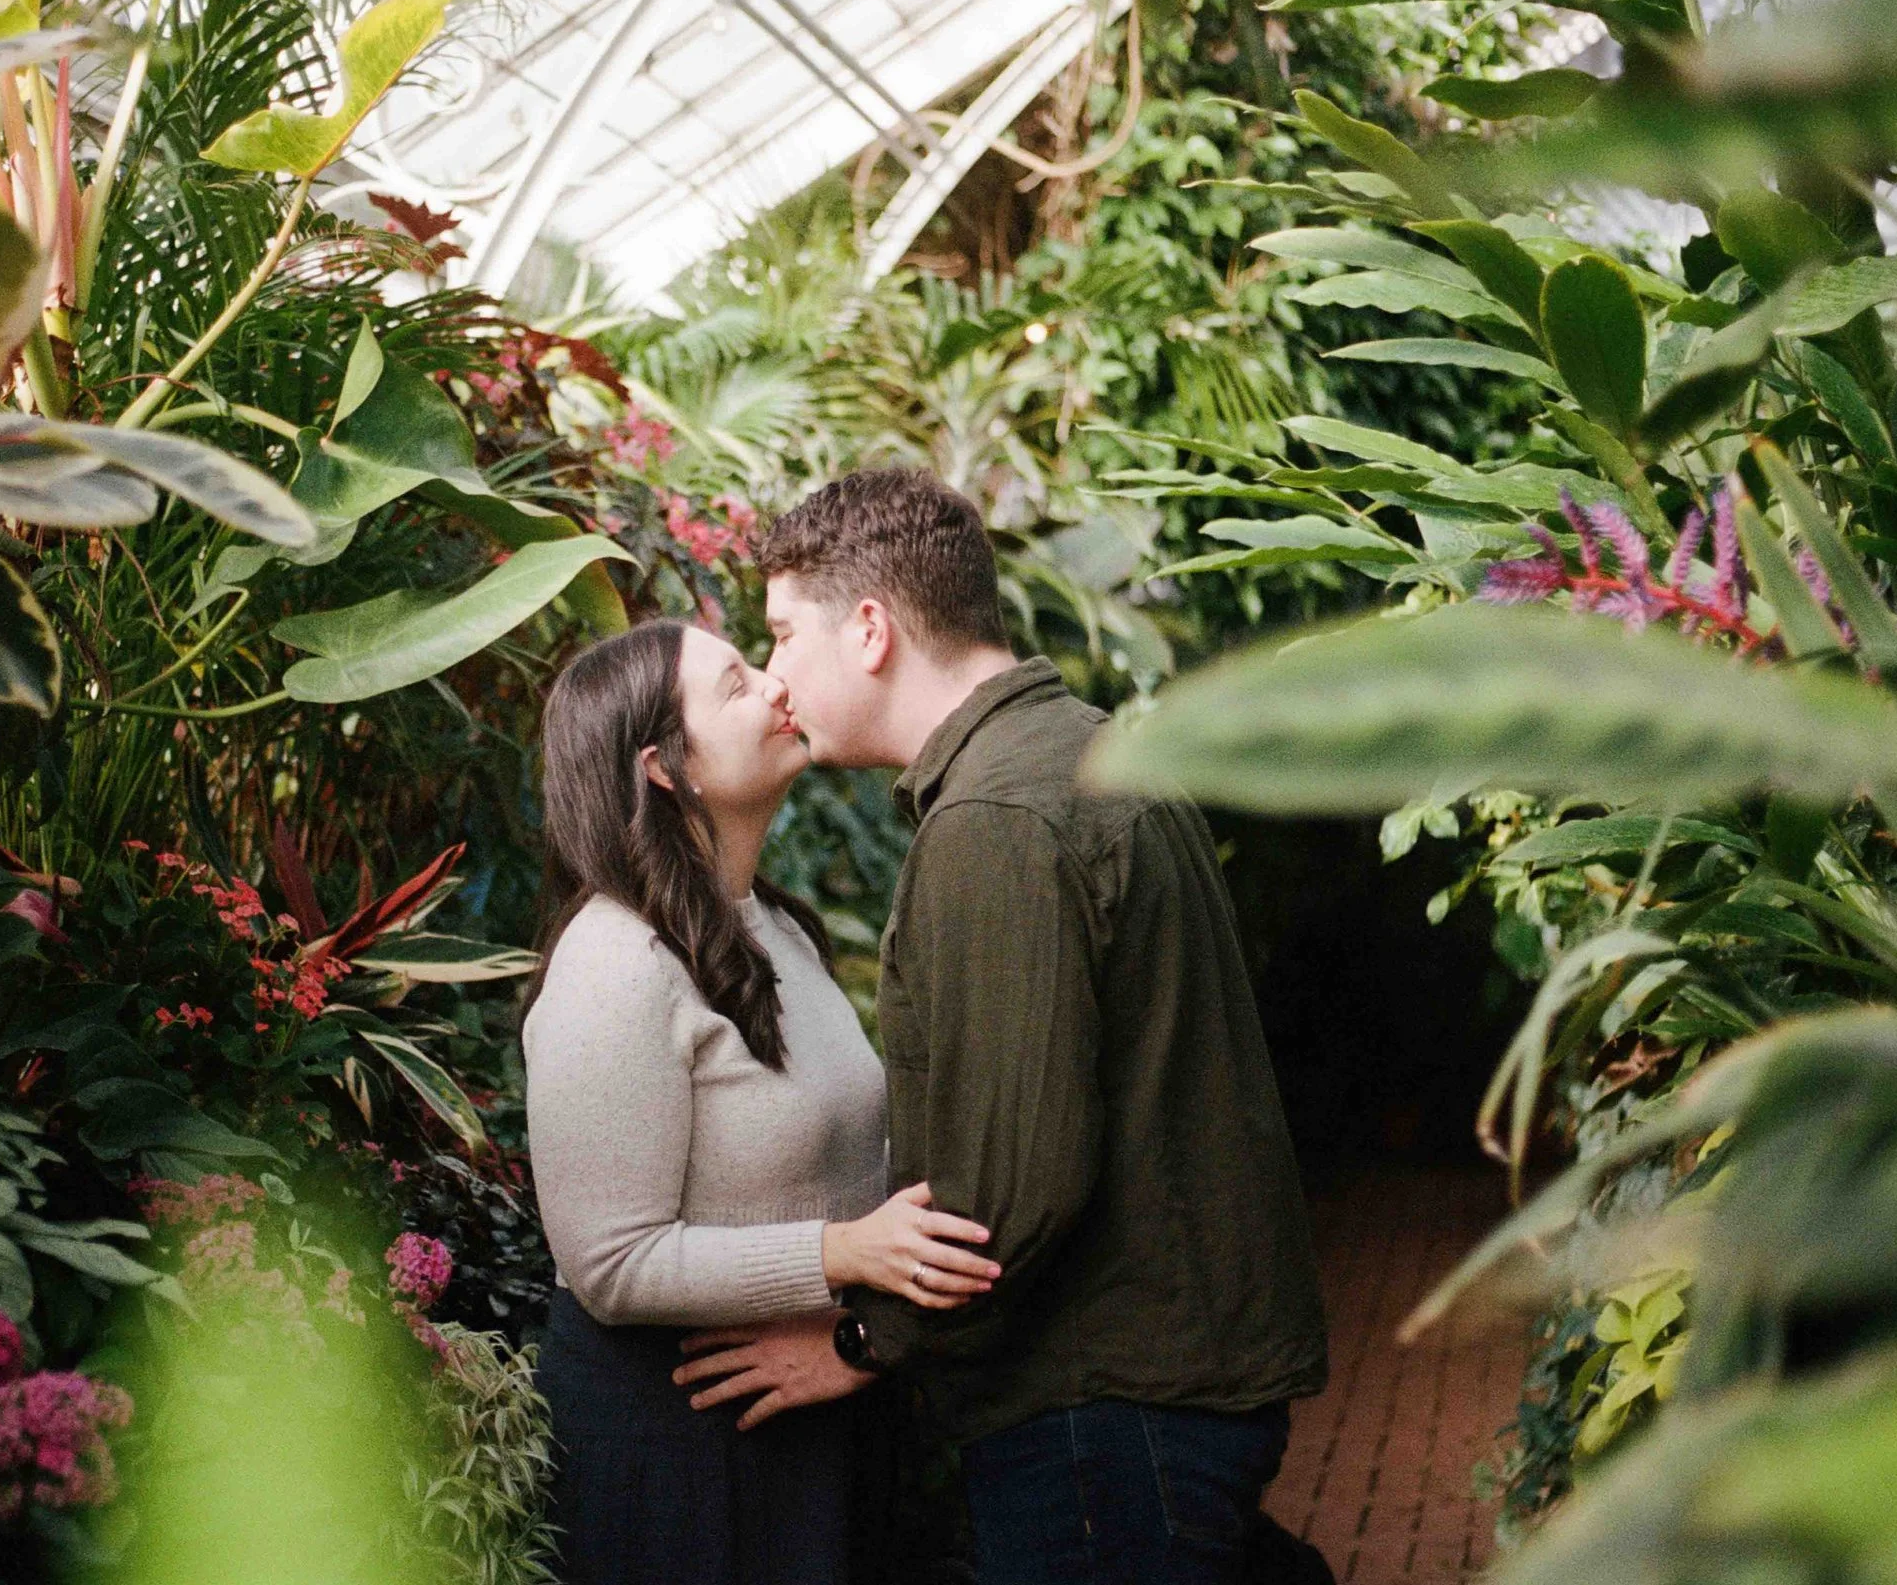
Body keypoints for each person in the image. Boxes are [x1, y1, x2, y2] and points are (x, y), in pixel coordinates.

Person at [672, 469, 1328, 1584]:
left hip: (1101, 1411)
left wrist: (860, 1343)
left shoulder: (995, 821)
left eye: (783, 635)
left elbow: (1005, 1191)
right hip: (1162, 1390)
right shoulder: (1080, 751)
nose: (777, 674)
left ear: (870, 629)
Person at [521, 617, 1002, 1585]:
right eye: (737, 685)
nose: (778, 685)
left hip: (812, 1407)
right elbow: (608, 1259)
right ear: (663, 767)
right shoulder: (615, 961)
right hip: (680, 1435)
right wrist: (840, 1253)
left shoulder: (774, 926)